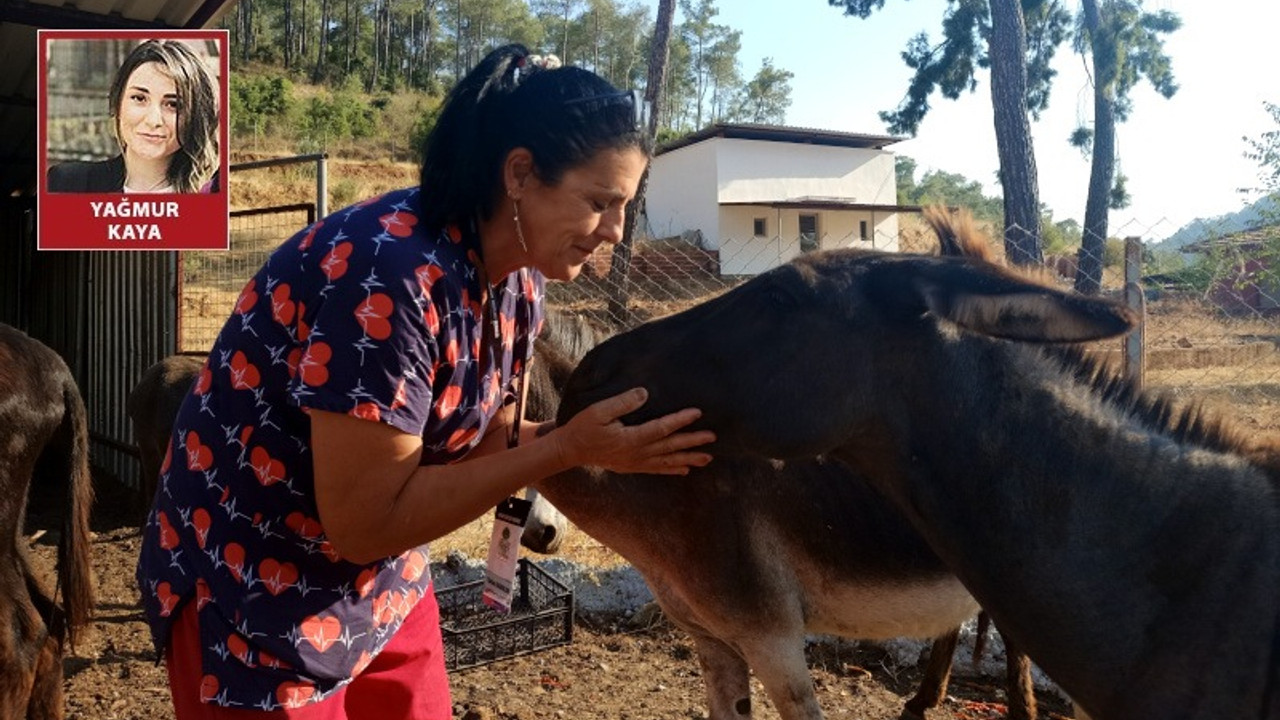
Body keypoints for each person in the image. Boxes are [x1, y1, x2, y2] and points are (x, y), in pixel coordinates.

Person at [135, 43, 714, 719]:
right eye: (599, 202)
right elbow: (364, 522)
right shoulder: (388, 278)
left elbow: (490, 445)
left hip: (380, 585)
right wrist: (565, 449)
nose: (615, 231)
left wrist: (590, 439)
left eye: (625, 207)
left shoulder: (520, 283)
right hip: (255, 586)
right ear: (521, 174)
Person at [48, 39, 219, 194]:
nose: (153, 121)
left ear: (196, 116)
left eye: (173, 105)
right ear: (118, 103)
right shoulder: (68, 184)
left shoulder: (213, 195)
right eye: (139, 98)